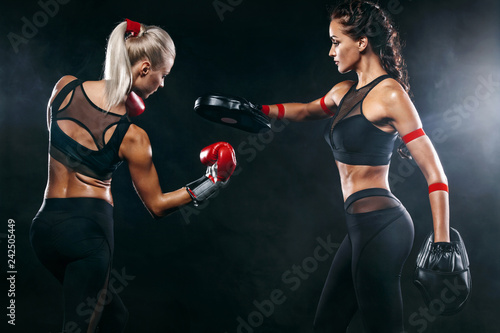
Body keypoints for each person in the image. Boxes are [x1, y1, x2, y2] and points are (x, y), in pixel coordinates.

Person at [218, 1, 449, 331]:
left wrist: (442, 243)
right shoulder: (344, 92)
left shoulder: (391, 94)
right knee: (326, 325)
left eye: (336, 41)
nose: (331, 52)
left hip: (383, 226)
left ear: (362, 41)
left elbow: (435, 173)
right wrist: (257, 108)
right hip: (359, 227)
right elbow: (308, 110)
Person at [30, 19, 236, 333]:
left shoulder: (64, 87)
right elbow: (157, 206)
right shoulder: (132, 137)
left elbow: (58, 142)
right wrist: (213, 181)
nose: (163, 84)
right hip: (87, 237)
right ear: (143, 69)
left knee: (114, 317)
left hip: (43, 230)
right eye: (162, 75)